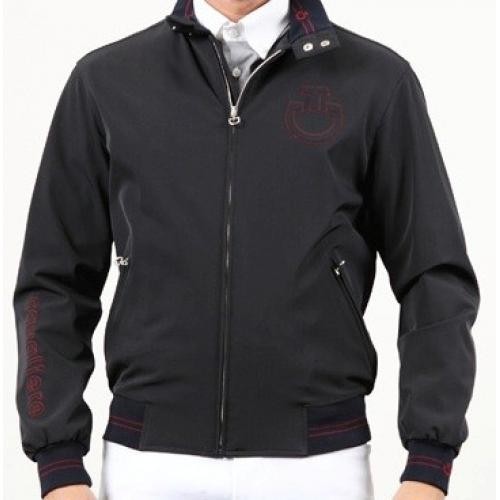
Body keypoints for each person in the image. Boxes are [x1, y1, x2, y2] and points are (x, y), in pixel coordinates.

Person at [13, 0, 479, 498]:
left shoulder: (375, 80)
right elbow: (54, 279)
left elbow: (434, 274)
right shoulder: (107, 81)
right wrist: (59, 464)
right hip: (147, 467)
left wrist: (428, 463)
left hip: (319, 467)